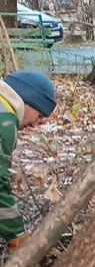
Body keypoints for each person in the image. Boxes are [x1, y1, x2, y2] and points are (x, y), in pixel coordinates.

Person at [1, 71, 58, 255]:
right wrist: (17, 233)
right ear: (29, 100)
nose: (35, 124)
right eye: (39, 115)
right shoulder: (5, 122)